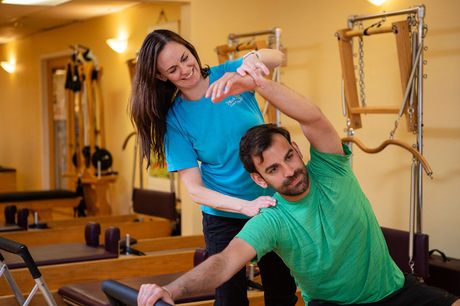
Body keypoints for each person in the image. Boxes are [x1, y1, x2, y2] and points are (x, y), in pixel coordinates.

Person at [137, 71, 460, 306]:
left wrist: (256, 84)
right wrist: (172, 291)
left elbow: (313, 118)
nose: (290, 171)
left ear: (297, 148)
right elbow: (224, 263)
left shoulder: (331, 169)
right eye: (273, 169)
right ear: (260, 180)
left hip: (397, 292)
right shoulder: (271, 220)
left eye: (289, 156)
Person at [130, 29, 297, 306]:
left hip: (271, 203)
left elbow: (277, 56)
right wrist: (243, 206)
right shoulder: (175, 120)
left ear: (190, 49)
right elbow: (195, 190)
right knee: (229, 298)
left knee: (281, 291)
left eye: (185, 58)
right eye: (173, 69)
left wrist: (252, 60)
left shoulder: (230, 75)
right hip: (224, 215)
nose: (185, 70)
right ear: (162, 76)